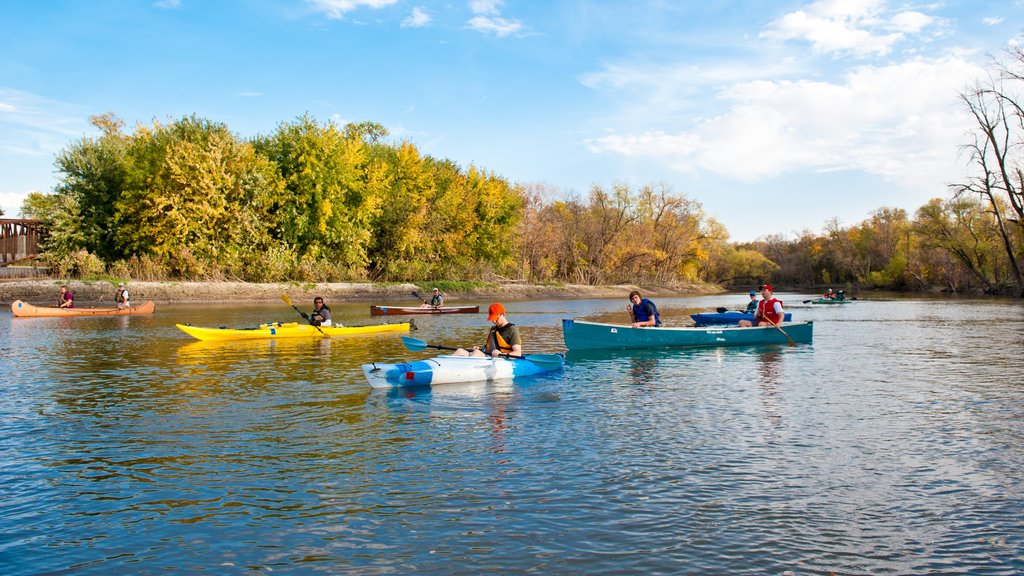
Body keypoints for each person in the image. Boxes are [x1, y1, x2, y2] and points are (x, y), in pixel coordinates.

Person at [454, 302, 522, 358]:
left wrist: (501, 354)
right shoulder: (493, 329)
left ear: (504, 314)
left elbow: (518, 353)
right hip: (490, 357)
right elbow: (490, 347)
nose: (494, 321)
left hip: (502, 359)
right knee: (460, 351)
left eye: (496, 318)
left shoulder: (512, 330)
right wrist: (480, 348)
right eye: (492, 319)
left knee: (477, 353)